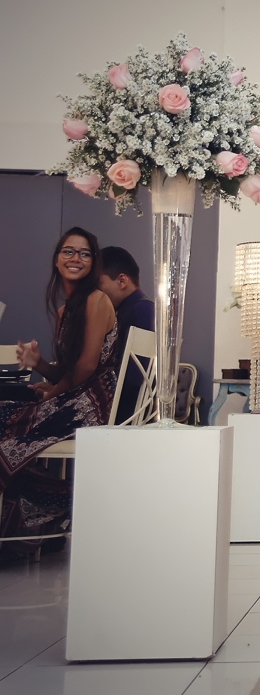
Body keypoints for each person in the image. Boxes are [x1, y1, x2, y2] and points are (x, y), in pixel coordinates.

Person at [0, 227, 117, 555]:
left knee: (7, 426)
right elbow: (68, 371)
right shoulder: (66, 312)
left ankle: (65, 502)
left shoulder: (97, 300)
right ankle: (57, 507)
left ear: (93, 263)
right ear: (56, 259)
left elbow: (86, 368)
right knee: (6, 422)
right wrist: (39, 364)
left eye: (84, 253)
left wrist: (52, 394)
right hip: (73, 397)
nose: (75, 258)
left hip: (91, 403)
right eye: (69, 251)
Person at [99, 246, 155, 424]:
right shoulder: (138, 309)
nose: (97, 292)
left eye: (98, 284)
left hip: (122, 416)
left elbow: (135, 379)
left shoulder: (141, 310)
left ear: (122, 281)